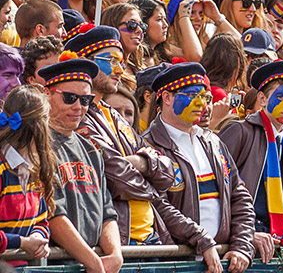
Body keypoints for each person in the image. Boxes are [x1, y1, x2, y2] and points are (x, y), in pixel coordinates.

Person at [66, 26, 219, 256]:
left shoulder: (115, 115)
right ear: (87, 63)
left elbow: (167, 172)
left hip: (152, 240)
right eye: (111, 60)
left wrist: (141, 163)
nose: (120, 69)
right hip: (121, 247)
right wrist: (150, 175)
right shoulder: (79, 117)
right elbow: (117, 180)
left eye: (121, 61)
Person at [143, 62, 256, 271]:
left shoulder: (213, 142)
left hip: (220, 260)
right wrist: (201, 239)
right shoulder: (147, 145)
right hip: (177, 263)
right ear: (166, 97)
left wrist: (242, 245)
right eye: (192, 95)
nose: (200, 104)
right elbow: (158, 205)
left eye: (204, 97)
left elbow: (240, 196)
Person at [218, 60, 283, 266]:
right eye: (281, 96)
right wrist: (246, 234)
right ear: (262, 99)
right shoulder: (240, 132)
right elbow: (218, 194)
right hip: (243, 249)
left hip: (275, 248)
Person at [41, 54, 123, 273]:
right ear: (46, 94)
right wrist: (93, 262)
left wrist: (115, 255)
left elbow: (107, 212)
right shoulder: (38, 144)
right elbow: (53, 213)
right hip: (56, 265)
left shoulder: (91, 149)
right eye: (69, 98)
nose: (78, 106)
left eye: (85, 100)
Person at [0, 86, 56, 259]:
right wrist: (22, 243)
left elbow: (41, 219)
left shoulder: (33, 169)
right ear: (39, 128)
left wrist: (37, 237)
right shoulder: (2, 169)